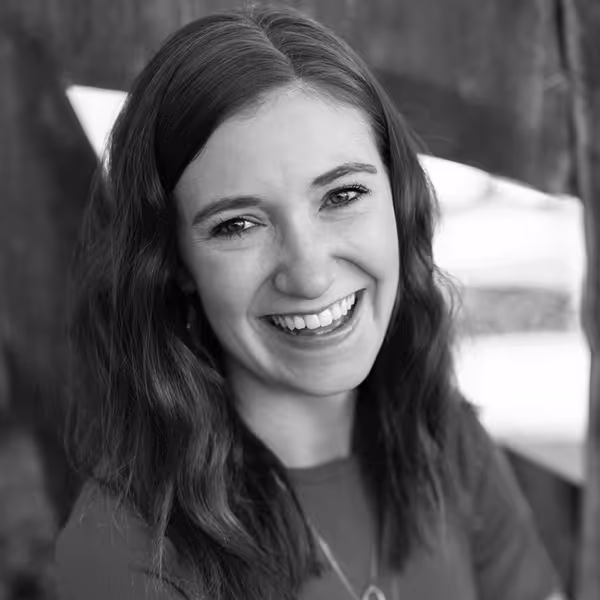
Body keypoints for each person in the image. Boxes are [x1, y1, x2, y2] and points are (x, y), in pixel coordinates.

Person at [55, 5, 565, 600]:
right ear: (175, 264)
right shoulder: (128, 552)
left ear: (398, 200)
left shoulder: (445, 441)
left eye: (342, 195)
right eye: (238, 224)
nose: (310, 274)